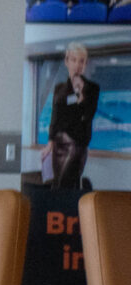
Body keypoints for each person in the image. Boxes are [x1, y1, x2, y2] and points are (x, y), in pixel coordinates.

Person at [49, 43, 101, 190]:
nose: (77, 65)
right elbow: (56, 115)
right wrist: (50, 141)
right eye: (74, 60)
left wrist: (80, 94)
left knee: (64, 185)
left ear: (85, 64)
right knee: (57, 183)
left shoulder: (91, 88)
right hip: (59, 144)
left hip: (76, 144)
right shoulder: (59, 88)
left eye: (81, 61)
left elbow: (88, 115)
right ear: (67, 61)